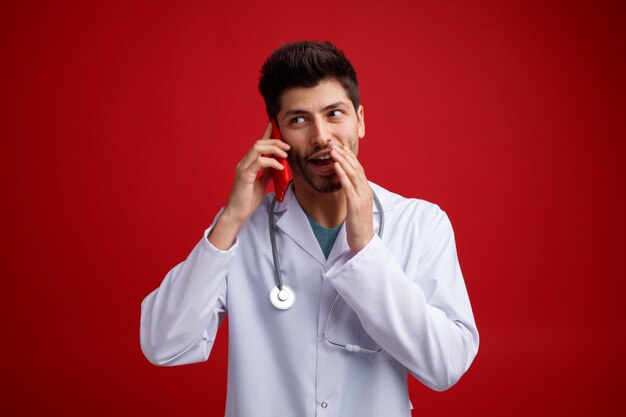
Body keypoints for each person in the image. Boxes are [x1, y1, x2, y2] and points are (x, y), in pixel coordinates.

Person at [140, 41, 479, 416]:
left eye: (335, 113)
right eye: (299, 120)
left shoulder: (419, 223)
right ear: (277, 135)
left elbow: (446, 365)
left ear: (360, 120)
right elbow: (162, 344)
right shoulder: (242, 232)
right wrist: (230, 220)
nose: (321, 136)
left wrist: (366, 250)